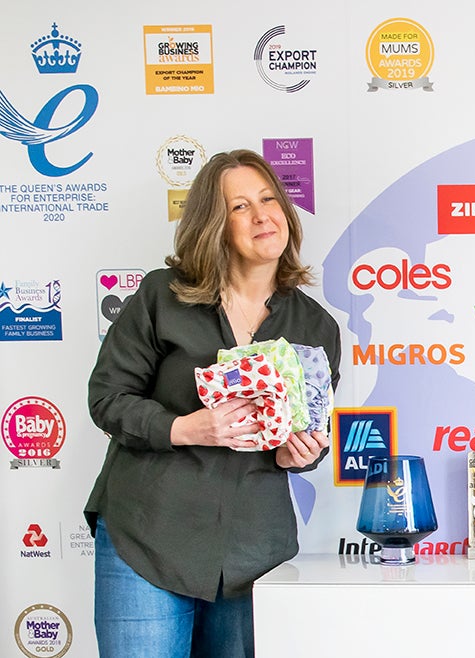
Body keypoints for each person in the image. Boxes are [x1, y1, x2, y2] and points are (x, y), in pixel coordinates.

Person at [85, 149, 341, 657]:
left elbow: (311, 433)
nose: (263, 214)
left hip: (253, 553)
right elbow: (107, 397)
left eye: (269, 199)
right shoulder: (163, 296)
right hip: (149, 535)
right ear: (213, 226)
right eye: (240, 207)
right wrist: (185, 428)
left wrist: (306, 453)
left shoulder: (316, 327)